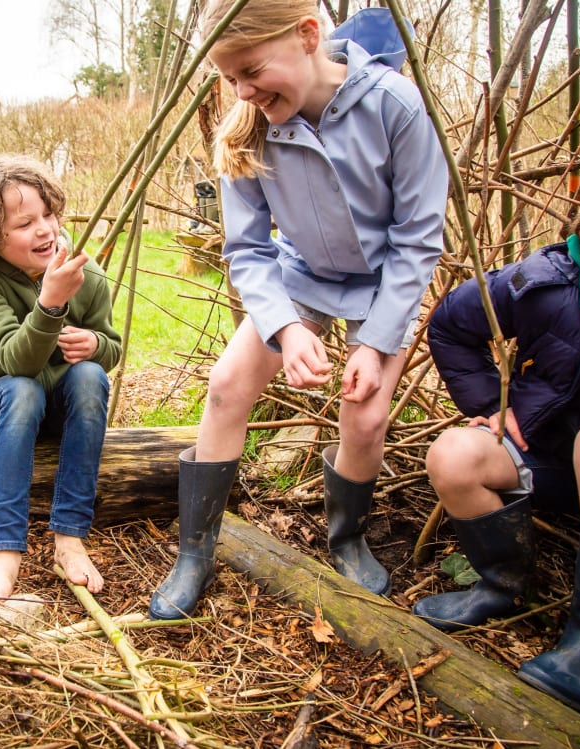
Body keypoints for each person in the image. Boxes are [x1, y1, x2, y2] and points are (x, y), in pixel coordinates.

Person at [149, 2, 448, 619]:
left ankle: (348, 538)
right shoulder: (245, 128)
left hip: (383, 279)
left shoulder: (394, 105)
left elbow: (417, 239)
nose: (243, 91)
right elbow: (248, 249)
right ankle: (195, 552)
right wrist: (286, 324)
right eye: (230, 78)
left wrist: (376, 340)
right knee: (228, 383)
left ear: (309, 36)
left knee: (364, 417)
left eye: (251, 71)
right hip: (301, 273)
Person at [413, 184, 580, 711]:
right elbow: (450, 322)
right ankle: (500, 584)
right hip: (547, 458)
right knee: (453, 455)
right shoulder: (543, 285)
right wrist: (492, 407)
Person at [0, 154, 123, 603]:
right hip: (8, 397)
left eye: (48, 215)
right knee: (24, 390)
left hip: (67, 405)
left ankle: (69, 539)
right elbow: (15, 362)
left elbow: (111, 347)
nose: (45, 229)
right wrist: (49, 304)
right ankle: (5, 552)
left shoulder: (88, 275)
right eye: (25, 223)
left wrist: (95, 346)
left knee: (88, 376)